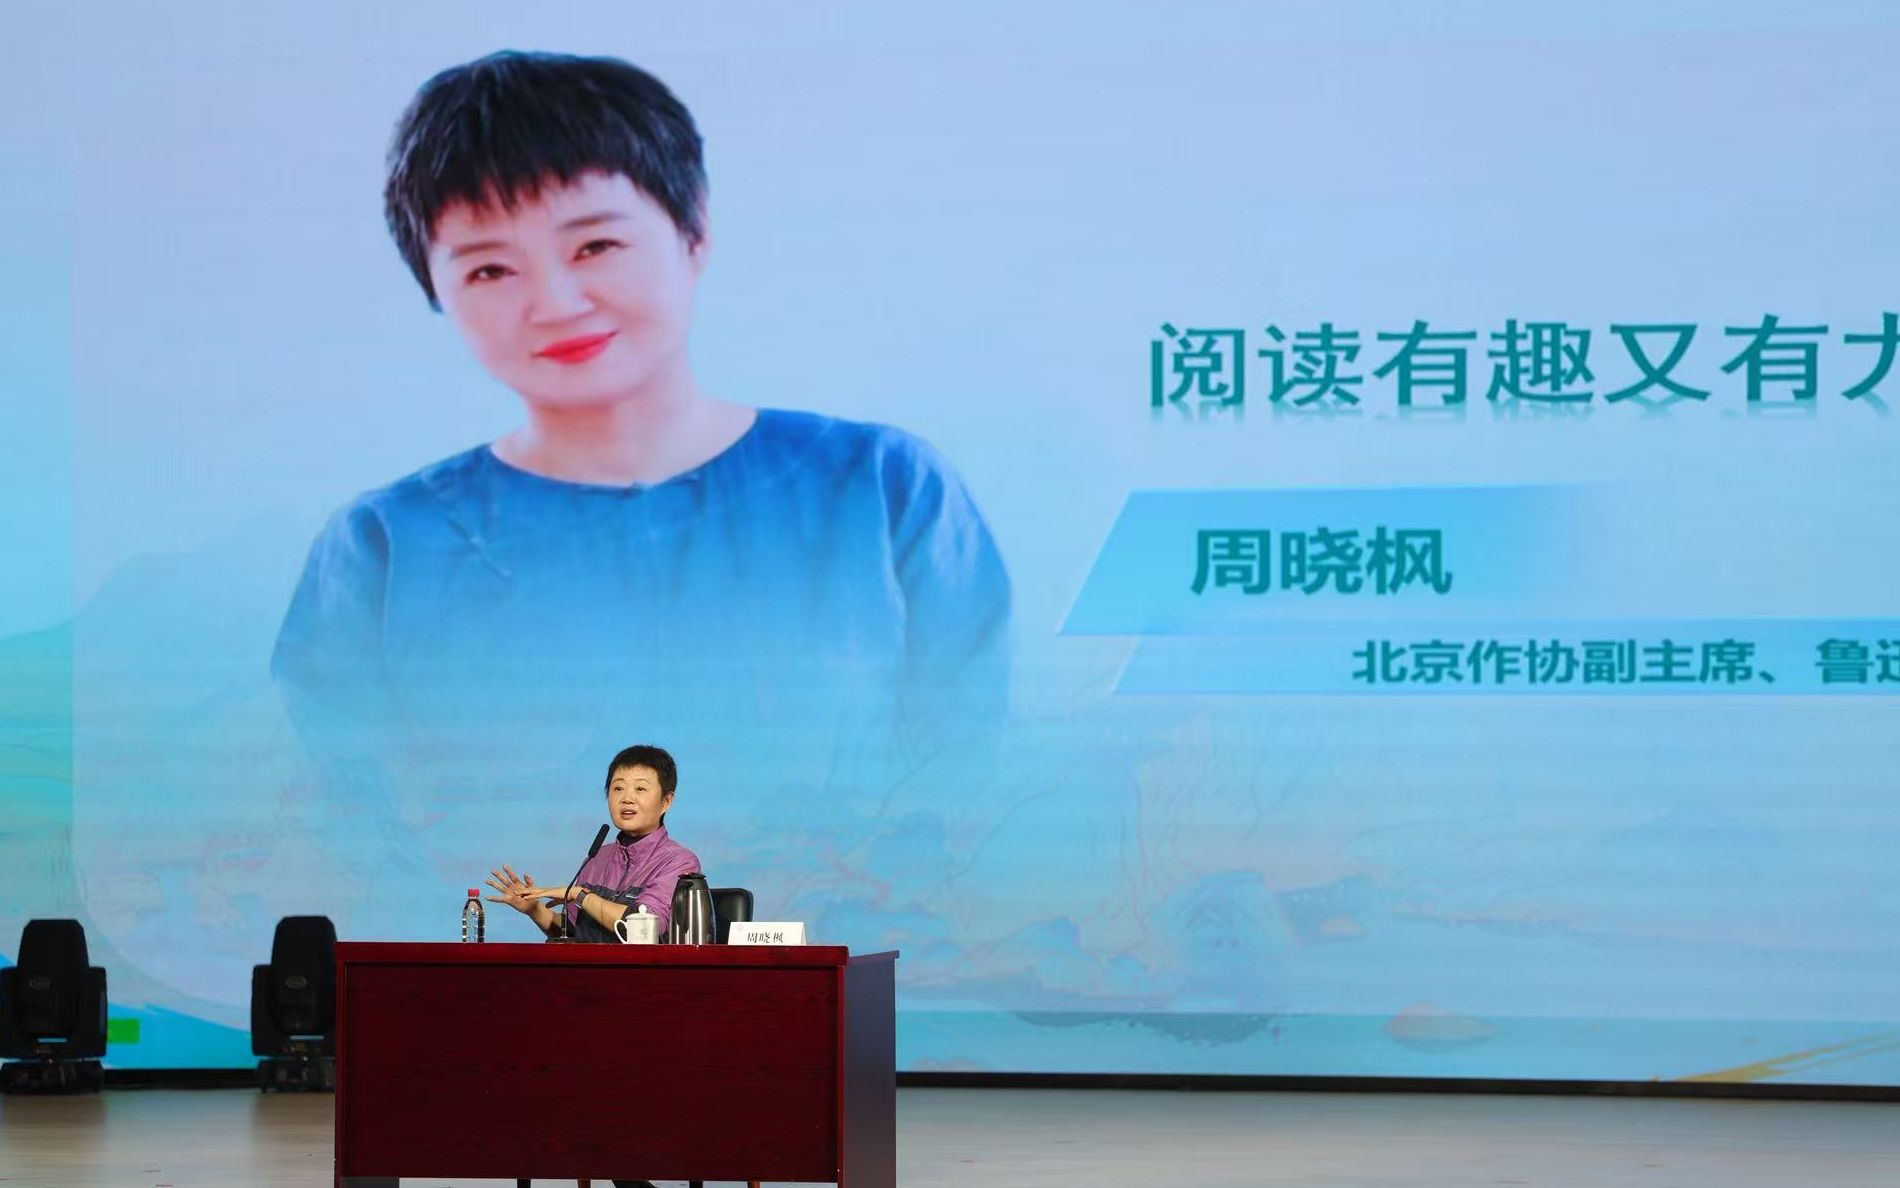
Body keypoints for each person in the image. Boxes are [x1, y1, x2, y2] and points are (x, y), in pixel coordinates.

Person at [269, 49, 1011, 869]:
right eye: (489, 268)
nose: (555, 303)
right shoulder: (382, 551)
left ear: (694, 234)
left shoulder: (882, 491)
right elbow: (350, 850)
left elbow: (973, 795)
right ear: (436, 293)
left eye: (594, 246)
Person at [485, 744, 700, 940]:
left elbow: (641, 929)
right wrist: (535, 910)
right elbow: (573, 933)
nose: (627, 798)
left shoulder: (680, 863)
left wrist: (580, 895)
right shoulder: (597, 857)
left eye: (640, 789)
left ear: (666, 801)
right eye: (618, 788)